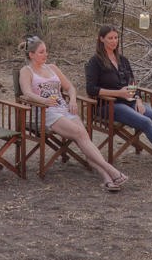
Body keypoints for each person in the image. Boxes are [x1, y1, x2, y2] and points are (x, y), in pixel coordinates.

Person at [19, 36, 131, 191]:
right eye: (41, 52)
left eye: (46, 51)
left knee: (84, 138)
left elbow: (70, 87)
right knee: (80, 133)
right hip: (46, 112)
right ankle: (111, 170)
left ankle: (107, 178)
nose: (45, 54)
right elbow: (26, 93)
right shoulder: (26, 71)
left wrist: (72, 100)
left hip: (64, 109)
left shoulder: (52, 68)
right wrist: (44, 101)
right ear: (31, 55)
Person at [84, 25, 152, 169]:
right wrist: (118, 93)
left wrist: (138, 99)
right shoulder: (95, 62)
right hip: (108, 105)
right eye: (110, 38)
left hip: (130, 101)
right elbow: (91, 89)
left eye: (116, 38)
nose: (114, 41)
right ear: (101, 39)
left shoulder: (123, 60)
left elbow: (132, 83)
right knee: (146, 122)